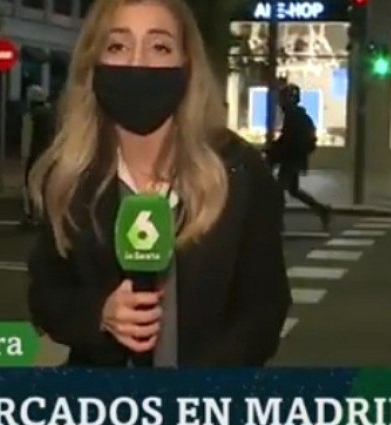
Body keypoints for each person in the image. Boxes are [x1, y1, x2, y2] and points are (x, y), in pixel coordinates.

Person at [27, 0, 291, 367]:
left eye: (160, 47)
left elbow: (264, 310)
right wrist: (99, 314)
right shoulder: (69, 178)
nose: (138, 62)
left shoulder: (239, 172)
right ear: (93, 63)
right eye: (118, 46)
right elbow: (46, 295)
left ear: (187, 65)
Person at [268, 83, 331, 230]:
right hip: (295, 158)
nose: (280, 102)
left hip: (292, 159)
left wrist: (273, 151)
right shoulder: (297, 115)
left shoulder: (293, 116)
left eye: (283, 98)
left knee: (279, 190)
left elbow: (288, 139)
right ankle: (322, 210)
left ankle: (278, 223)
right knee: (293, 190)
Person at [20, 85, 55, 226]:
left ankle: (32, 215)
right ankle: (45, 216)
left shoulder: (31, 115)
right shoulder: (51, 113)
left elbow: (27, 138)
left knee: (31, 184)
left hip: (35, 154)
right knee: (45, 184)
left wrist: (24, 157)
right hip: (49, 154)